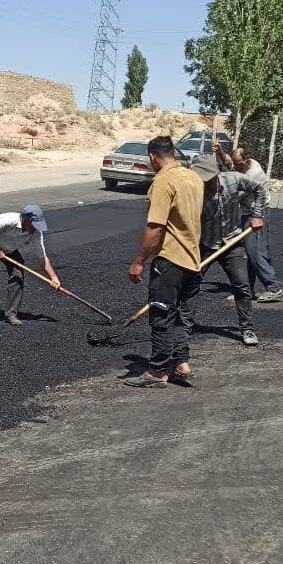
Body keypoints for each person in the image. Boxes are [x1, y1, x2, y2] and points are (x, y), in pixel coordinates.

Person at [124, 136, 205, 388]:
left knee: (161, 316)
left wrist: (139, 261)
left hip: (169, 260)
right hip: (193, 262)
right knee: (182, 317)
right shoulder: (193, 178)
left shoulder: (163, 182)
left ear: (152, 157)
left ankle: (158, 372)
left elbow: (155, 226)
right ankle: (181, 363)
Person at [192, 153, 268, 346]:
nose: (205, 183)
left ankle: (247, 328)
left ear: (216, 173)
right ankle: (183, 324)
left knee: (242, 286)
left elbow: (259, 188)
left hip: (232, 242)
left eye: (208, 178)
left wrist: (256, 215)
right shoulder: (194, 193)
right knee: (190, 284)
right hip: (205, 244)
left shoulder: (233, 179)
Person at [222, 144, 283, 302]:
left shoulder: (254, 173)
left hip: (257, 214)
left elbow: (238, 194)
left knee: (255, 252)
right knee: (248, 254)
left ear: (247, 160)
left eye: (238, 164)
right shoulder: (242, 166)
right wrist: (220, 153)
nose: (235, 166)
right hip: (247, 213)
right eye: (235, 163)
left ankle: (273, 288)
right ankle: (247, 290)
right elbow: (230, 164)